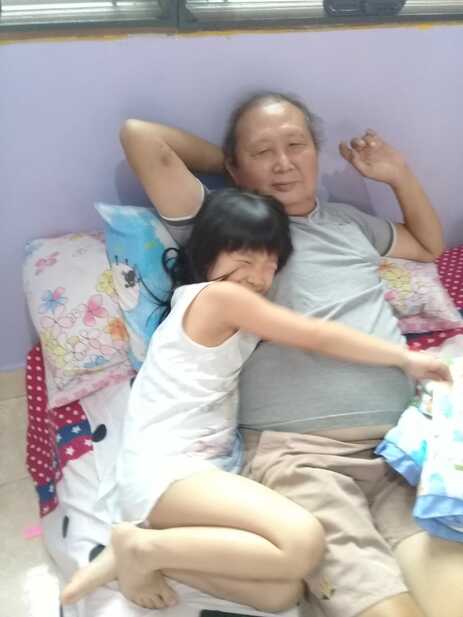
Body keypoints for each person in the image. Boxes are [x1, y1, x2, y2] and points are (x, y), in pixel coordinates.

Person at [113, 91, 463, 617]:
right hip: (302, 458)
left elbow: (427, 245)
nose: (283, 163)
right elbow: (140, 136)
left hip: (398, 450)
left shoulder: (349, 223)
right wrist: (234, 171)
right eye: (263, 151)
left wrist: (398, 176)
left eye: (297, 145)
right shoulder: (227, 228)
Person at [60, 189, 450, 613]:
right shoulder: (218, 298)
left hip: (208, 471)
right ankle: (140, 547)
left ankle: (146, 549)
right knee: (302, 544)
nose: (259, 276)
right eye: (244, 259)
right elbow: (315, 334)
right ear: (208, 253)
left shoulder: (217, 306)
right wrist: (403, 357)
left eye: (270, 264)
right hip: (168, 469)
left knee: (280, 592)